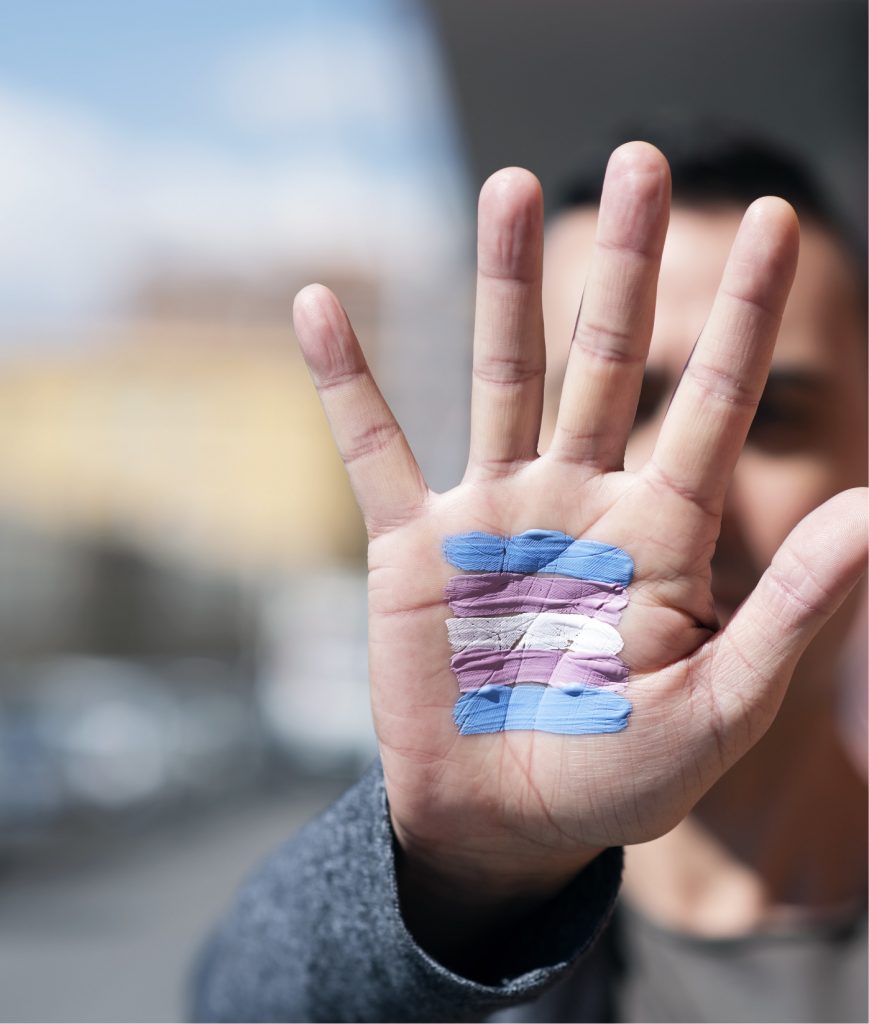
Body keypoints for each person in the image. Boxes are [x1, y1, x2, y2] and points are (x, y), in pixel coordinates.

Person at [190, 130, 868, 1023]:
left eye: (772, 415)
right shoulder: (434, 942)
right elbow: (235, 1001)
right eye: (620, 406)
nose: (683, 498)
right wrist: (469, 874)